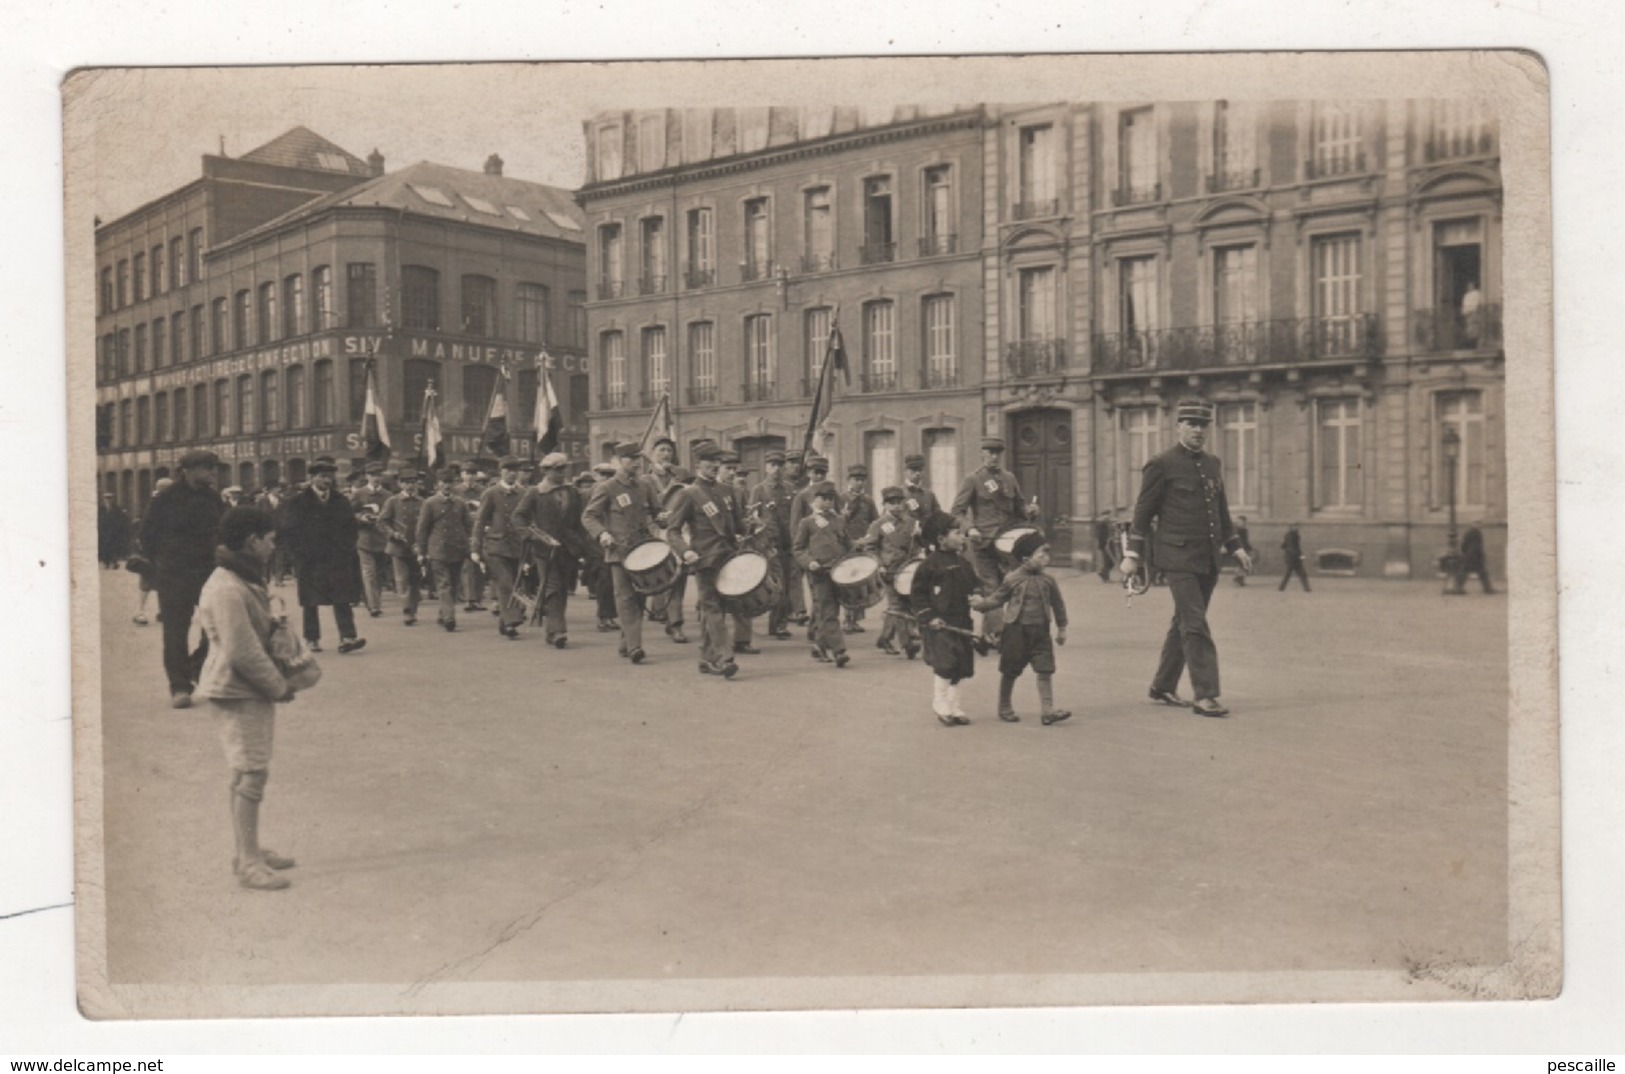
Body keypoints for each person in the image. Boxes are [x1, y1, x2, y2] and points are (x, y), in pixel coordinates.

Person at [1119, 399, 1251, 718]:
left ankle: (1162, 685)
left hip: (1207, 558)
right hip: (1177, 557)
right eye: (1191, 423)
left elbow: (1220, 511)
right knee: (1195, 623)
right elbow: (1143, 512)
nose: (1198, 430)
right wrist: (1132, 555)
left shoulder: (1212, 464)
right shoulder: (1160, 464)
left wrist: (1236, 546)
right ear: (1178, 426)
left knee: (1183, 621)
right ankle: (1205, 695)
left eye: (1203, 425)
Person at [193, 506, 302, 891]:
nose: (274, 546)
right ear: (252, 539)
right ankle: (249, 864)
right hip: (236, 688)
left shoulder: (238, 576)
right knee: (252, 774)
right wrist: (279, 686)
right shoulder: (226, 586)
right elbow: (242, 649)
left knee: (245, 771)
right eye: (269, 539)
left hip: (241, 687)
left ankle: (247, 850)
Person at [138, 449, 227, 707]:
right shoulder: (166, 499)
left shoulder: (213, 499)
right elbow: (147, 535)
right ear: (188, 471)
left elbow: (223, 531)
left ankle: (195, 666)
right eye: (207, 468)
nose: (212, 472)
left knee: (216, 625)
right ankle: (179, 687)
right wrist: (164, 562)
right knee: (176, 631)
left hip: (207, 573)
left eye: (214, 468)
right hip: (174, 574)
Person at [974, 531, 1071, 726]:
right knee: (1010, 670)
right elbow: (998, 598)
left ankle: (1048, 711)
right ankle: (1004, 707)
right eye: (1041, 555)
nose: (1046, 559)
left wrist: (1061, 628)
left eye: (1047, 554)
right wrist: (980, 604)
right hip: (1016, 632)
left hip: (1041, 632)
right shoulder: (1012, 579)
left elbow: (1058, 605)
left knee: (1045, 670)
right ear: (1025, 559)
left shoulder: (1048, 581)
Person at [666, 444, 746, 678]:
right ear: (698, 463)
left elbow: (738, 527)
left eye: (716, 461)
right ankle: (724, 657)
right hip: (705, 560)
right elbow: (673, 531)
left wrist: (750, 527)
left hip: (728, 558)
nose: (714, 466)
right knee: (712, 608)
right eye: (708, 461)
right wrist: (685, 551)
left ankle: (706, 658)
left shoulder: (727, 492)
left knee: (719, 608)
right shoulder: (689, 494)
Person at [952, 436, 1041, 641]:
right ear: (982, 454)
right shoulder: (973, 479)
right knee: (991, 586)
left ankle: (1006, 628)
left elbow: (1020, 508)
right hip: (983, 543)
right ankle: (996, 633)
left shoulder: (1010, 478)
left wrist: (1031, 510)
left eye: (997, 453)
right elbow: (957, 511)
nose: (993, 457)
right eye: (989, 452)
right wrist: (970, 528)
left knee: (1012, 585)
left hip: (1009, 543)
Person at [582, 441, 663, 664]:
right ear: (619, 461)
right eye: (631, 459)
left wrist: (662, 517)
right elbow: (589, 516)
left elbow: (657, 511)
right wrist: (602, 534)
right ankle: (636, 646)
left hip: (643, 550)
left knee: (639, 597)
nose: (636, 463)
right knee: (625, 597)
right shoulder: (607, 487)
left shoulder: (645, 486)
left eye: (638, 459)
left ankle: (626, 641)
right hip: (618, 551)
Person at [278, 456, 366, 655]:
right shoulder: (298, 503)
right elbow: (289, 531)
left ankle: (348, 636)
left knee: (342, 597)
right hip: (309, 559)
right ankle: (312, 638)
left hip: (338, 558)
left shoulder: (340, 501)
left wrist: (347, 550)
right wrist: (299, 554)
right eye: (323, 477)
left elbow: (351, 528)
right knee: (310, 600)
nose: (327, 481)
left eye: (330, 477)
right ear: (312, 478)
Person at [512, 452, 589, 646]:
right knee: (553, 587)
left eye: (563, 469)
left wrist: (582, 544)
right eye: (557, 470)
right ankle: (558, 631)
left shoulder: (572, 492)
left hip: (568, 549)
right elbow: (518, 517)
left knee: (563, 589)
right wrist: (532, 535)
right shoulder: (535, 492)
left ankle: (551, 629)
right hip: (544, 550)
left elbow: (580, 520)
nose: (562, 473)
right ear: (546, 471)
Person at [909, 513, 980, 725]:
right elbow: (918, 595)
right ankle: (939, 702)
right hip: (940, 624)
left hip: (961, 621)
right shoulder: (929, 565)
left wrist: (977, 594)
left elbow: (974, 583)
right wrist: (928, 617)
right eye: (957, 533)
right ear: (941, 539)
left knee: (961, 665)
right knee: (945, 663)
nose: (962, 537)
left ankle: (954, 705)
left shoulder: (963, 562)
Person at [793, 479, 852, 668]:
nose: (827, 502)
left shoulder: (839, 520)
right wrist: (809, 562)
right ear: (814, 499)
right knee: (827, 611)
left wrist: (853, 560)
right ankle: (839, 650)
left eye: (830, 499)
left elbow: (847, 545)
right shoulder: (807, 523)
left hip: (838, 571)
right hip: (818, 572)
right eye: (823, 498)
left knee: (832, 609)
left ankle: (819, 644)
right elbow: (798, 549)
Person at [858, 486, 920, 658]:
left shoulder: (911, 523)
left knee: (907, 605)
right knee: (896, 606)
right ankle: (908, 643)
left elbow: (917, 545)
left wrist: (920, 538)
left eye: (899, 502)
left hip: (908, 569)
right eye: (891, 503)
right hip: (889, 570)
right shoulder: (878, 525)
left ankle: (885, 638)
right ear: (884, 504)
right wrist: (879, 565)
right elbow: (870, 548)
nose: (896, 506)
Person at [641, 437, 690, 645]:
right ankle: (658, 611)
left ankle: (676, 623)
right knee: (658, 580)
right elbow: (642, 510)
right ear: (652, 454)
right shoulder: (645, 481)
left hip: (678, 534)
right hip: (655, 535)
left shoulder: (680, 478)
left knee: (679, 578)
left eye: (669, 451)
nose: (666, 454)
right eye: (661, 450)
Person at [474, 457, 529, 640]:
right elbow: (480, 521)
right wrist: (475, 546)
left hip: (517, 547)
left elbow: (528, 519)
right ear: (501, 472)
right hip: (495, 545)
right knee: (505, 583)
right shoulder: (491, 493)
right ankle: (512, 620)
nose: (512, 473)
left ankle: (504, 622)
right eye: (508, 470)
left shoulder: (523, 493)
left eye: (515, 470)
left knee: (514, 582)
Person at [749, 450, 797, 640]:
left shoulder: (789, 489)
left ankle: (779, 623)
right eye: (773, 465)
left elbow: (794, 515)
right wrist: (761, 537)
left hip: (788, 542)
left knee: (788, 581)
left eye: (779, 465)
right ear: (766, 468)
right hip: (769, 543)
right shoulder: (759, 490)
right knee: (778, 583)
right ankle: (777, 624)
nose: (776, 469)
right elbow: (752, 517)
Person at [416, 467, 472, 632]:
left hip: (457, 549)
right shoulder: (430, 503)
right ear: (437, 484)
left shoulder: (461, 503)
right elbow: (422, 528)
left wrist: (469, 546)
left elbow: (468, 526)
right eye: (444, 482)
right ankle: (449, 618)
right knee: (444, 584)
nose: (447, 486)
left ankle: (443, 613)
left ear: (455, 484)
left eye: (450, 482)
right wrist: (422, 550)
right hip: (438, 550)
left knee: (454, 585)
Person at [377, 468, 425, 626]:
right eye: (406, 482)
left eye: (413, 482)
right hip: (398, 547)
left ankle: (413, 609)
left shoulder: (422, 502)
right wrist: (393, 534)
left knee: (415, 580)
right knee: (402, 579)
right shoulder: (393, 501)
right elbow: (382, 521)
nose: (410, 486)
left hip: (416, 547)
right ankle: (407, 611)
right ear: (400, 484)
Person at [352, 462, 393, 619]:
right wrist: (362, 517)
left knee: (379, 573)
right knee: (369, 572)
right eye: (373, 475)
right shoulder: (358, 494)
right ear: (367, 476)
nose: (376, 478)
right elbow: (350, 514)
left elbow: (391, 516)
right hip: (365, 539)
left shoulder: (388, 495)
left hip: (383, 539)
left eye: (379, 475)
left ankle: (373, 601)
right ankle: (374, 606)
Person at [840, 464, 878, 634]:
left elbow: (875, 523)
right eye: (856, 479)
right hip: (846, 547)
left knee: (860, 583)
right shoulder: (841, 499)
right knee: (848, 582)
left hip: (862, 545)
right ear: (849, 480)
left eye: (862, 480)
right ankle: (847, 619)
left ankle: (855, 619)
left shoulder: (868, 501)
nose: (859, 483)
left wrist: (868, 539)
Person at [781, 449, 811, 626]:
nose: (795, 466)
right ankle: (791, 611)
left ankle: (798, 610)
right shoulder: (782, 485)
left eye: (797, 462)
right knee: (788, 576)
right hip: (784, 536)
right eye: (791, 462)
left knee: (796, 574)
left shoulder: (806, 485)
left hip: (803, 535)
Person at [900, 453, 942, 524]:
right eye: (913, 470)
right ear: (905, 471)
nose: (917, 473)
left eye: (920, 470)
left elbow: (939, 517)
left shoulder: (929, 494)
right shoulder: (898, 493)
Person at [1458, 521, 1495, 594]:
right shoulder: (1477, 533)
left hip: (1470, 556)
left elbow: (1463, 545)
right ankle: (1487, 589)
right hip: (1475, 556)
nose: (1479, 525)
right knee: (1482, 573)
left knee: (1466, 572)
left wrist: (1466, 553)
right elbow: (1478, 546)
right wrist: (1480, 555)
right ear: (1473, 524)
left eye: (1479, 524)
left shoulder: (1468, 533)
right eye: (1477, 524)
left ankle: (1458, 588)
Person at [99, 492, 133, 569]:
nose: (108, 500)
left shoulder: (116, 508)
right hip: (104, 532)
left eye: (110, 499)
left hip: (114, 532)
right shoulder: (101, 509)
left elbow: (122, 519)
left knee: (114, 547)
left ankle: (114, 562)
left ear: (112, 499)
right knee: (105, 547)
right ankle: (106, 562)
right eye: (106, 499)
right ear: (104, 500)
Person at [1279, 522, 1311, 593]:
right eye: (1296, 526)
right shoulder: (1292, 535)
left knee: (1296, 573)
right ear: (1292, 527)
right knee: (1299, 573)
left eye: (1298, 526)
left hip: (1291, 557)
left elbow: (1284, 545)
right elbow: (1293, 547)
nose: (1298, 528)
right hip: (1293, 558)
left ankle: (1281, 588)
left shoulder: (1291, 535)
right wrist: (1300, 555)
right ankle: (1306, 588)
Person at [1093, 509, 1116, 583]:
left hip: (1109, 544)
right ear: (1103, 516)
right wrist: (1104, 544)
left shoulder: (1107, 523)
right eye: (1106, 515)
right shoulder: (1101, 524)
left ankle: (1103, 573)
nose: (1108, 516)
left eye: (1108, 515)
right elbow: (1099, 536)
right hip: (1105, 545)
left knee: (1111, 561)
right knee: (1107, 561)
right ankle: (1105, 577)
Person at [1232, 514, 1255, 587]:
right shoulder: (1236, 530)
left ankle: (1240, 580)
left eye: (1242, 521)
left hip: (1244, 549)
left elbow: (1245, 541)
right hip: (1238, 549)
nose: (1241, 523)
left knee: (1244, 565)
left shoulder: (1245, 530)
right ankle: (1237, 579)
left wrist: (1250, 548)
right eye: (1239, 521)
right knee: (1241, 565)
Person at [1459, 279, 1484, 347]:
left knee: (1476, 328)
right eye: (1469, 286)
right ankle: (1471, 344)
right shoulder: (1466, 295)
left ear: (1473, 286)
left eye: (1471, 285)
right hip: (1468, 314)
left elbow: (1479, 303)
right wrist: (1465, 312)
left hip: (1475, 312)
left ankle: (1477, 344)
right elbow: (1464, 304)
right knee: (1469, 329)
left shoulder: (1477, 293)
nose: (1470, 287)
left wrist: (1475, 310)